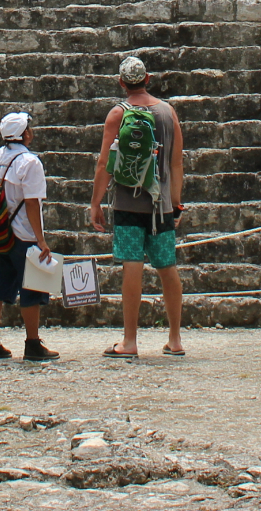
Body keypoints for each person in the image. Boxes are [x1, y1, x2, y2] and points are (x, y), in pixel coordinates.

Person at [90, 55, 185, 357]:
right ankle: (175, 339)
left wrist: (96, 203)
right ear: (148, 78)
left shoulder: (118, 114)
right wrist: (176, 202)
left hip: (128, 203)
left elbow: (105, 162)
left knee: (132, 268)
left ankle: (129, 341)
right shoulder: (168, 113)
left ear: (122, 82)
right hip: (162, 207)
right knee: (168, 269)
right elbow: (176, 161)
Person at [0, 110, 58, 362]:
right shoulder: (30, 163)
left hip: (0, 232)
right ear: (24, 134)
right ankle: (32, 343)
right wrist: (41, 239)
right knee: (32, 289)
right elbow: (32, 204)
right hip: (24, 234)